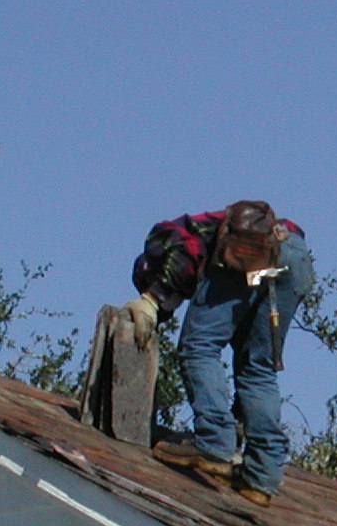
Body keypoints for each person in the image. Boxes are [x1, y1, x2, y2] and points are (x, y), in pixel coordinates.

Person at [129, 200, 314, 508]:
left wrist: (152, 299)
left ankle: (214, 439)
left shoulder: (165, 240)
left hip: (248, 249)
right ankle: (261, 475)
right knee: (258, 367)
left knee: (199, 347)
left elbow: (183, 250)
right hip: (293, 257)